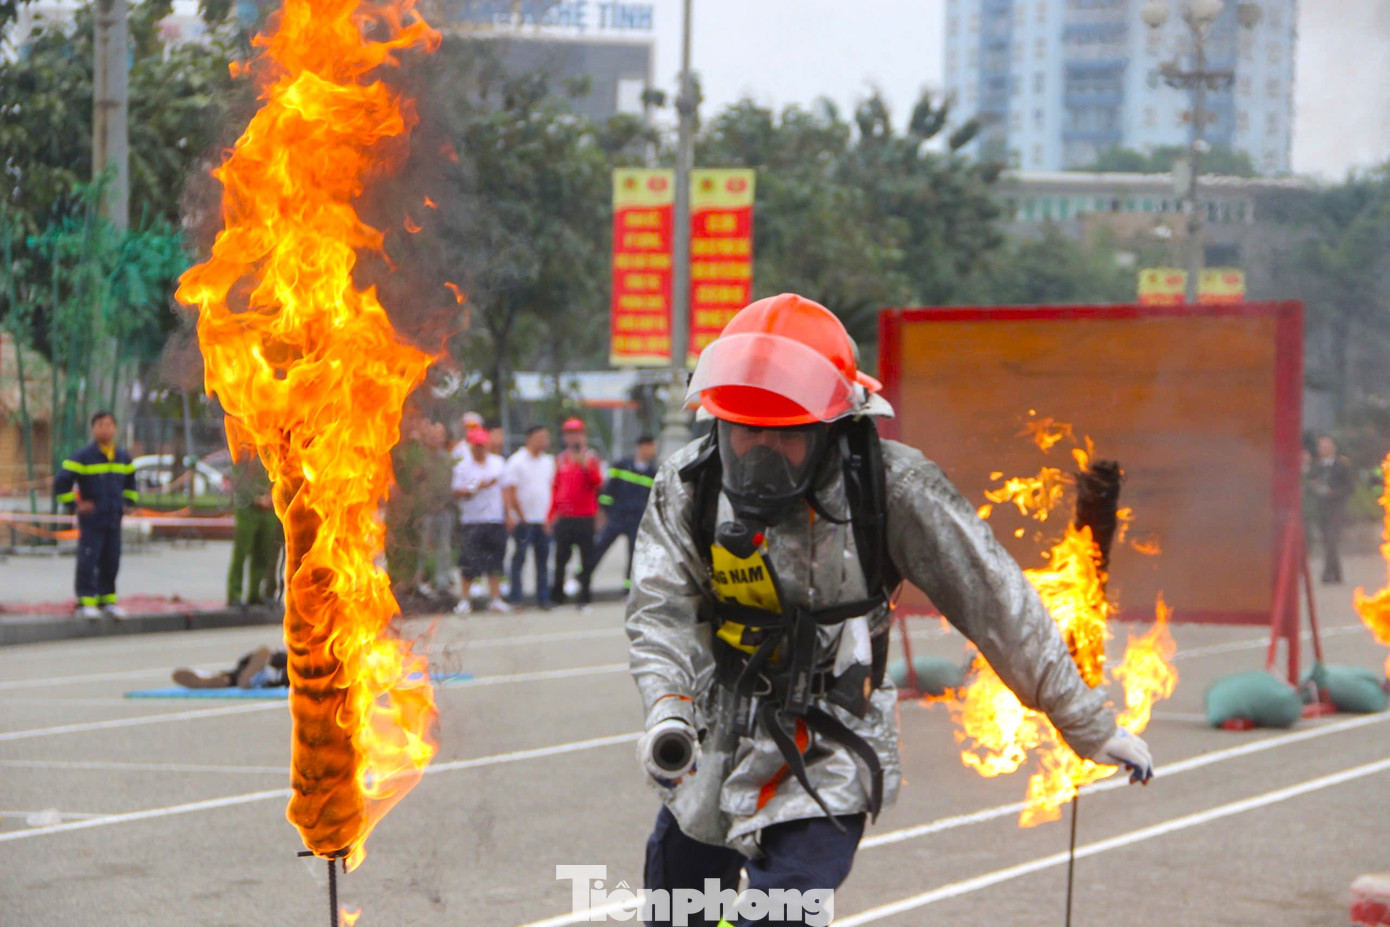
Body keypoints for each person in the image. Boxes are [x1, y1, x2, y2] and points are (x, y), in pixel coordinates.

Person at [626, 294, 1153, 927]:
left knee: (781, 915)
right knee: (677, 910)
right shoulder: (689, 484)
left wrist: (1087, 724)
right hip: (715, 735)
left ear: (832, 426)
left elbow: (998, 605)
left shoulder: (894, 489)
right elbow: (660, 609)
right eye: (744, 429)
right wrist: (668, 709)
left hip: (832, 740)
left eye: (784, 433)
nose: (759, 449)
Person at [53, 411, 136, 620]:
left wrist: (128, 503)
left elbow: (130, 483)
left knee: (111, 560)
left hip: (113, 519)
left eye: (109, 425)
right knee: (89, 560)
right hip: (92, 520)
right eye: (100, 425)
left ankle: (107, 601)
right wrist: (75, 504)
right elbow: (61, 483)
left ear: (115, 429)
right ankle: (85, 602)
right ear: (93, 429)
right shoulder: (83, 456)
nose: (105, 429)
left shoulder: (123, 457)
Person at [452, 426, 511, 614]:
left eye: (482, 445)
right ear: (471, 446)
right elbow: (458, 491)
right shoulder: (463, 467)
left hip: (495, 518)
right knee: (469, 561)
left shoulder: (498, 463)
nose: (479, 449)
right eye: (476, 445)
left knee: (495, 560)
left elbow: (505, 490)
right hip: (472, 520)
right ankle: (464, 600)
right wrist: (478, 486)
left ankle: (495, 598)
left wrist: (509, 513)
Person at [549, 417, 604, 611]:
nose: (573, 437)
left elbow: (598, 484)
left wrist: (585, 466)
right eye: (569, 433)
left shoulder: (591, 457)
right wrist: (552, 514)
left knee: (586, 559)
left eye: (576, 433)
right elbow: (555, 488)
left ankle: (585, 598)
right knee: (561, 559)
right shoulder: (560, 459)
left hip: (585, 517)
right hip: (565, 517)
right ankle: (557, 597)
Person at [593, 434, 658, 593]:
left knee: (634, 556)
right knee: (599, 548)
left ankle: (628, 590)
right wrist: (605, 513)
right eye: (651, 446)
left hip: (638, 520)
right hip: (617, 517)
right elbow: (608, 491)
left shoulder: (652, 472)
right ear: (642, 446)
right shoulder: (621, 465)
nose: (653, 450)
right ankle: (581, 579)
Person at [503, 425, 555, 609]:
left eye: (545, 437)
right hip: (523, 521)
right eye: (540, 437)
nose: (544, 441)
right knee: (519, 559)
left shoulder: (548, 461)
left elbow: (552, 489)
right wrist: (516, 514)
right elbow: (510, 490)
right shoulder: (517, 461)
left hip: (543, 520)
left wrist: (550, 516)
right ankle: (515, 597)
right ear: (530, 438)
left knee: (543, 562)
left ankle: (543, 598)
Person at [226, 450, 282, 608]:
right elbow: (239, 480)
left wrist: (271, 497)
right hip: (247, 509)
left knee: (263, 552)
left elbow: (279, 475)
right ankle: (234, 594)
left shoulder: (272, 447)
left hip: (268, 509)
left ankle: (255, 593)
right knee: (242, 552)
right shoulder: (244, 451)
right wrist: (255, 498)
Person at [415, 421, 456, 598]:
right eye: (433, 434)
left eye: (440, 435)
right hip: (425, 510)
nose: (437, 438)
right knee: (421, 547)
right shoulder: (421, 458)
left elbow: (455, 483)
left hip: (445, 509)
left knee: (444, 547)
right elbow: (417, 483)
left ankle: (442, 583)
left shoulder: (449, 458)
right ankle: (416, 583)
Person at [1309, 434, 1354, 584]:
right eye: (1321, 447)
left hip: (1337, 509)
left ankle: (1327, 573)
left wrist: (1333, 493)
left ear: (1333, 448)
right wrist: (1314, 487)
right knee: (1326, 541)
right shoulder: (1316, 465)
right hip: (1321, 508)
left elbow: (1349, 488)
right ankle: (1337, 573)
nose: (1323, 449)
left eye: (1326, 447)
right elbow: (1309, 482)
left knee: (1331, 540)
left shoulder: (1343, 465)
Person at [172, 645, 288, 689]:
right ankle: (261, 675)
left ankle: (218, 678)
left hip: (248, 665)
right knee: (287, 675)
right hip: (286, 665)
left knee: (234, 677)